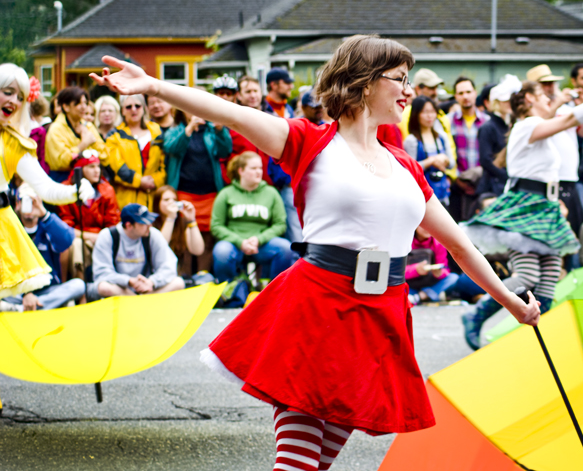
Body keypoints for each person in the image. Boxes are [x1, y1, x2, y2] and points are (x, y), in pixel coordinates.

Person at [90, 34, 540, 471]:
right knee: (299, 462)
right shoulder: (310, 140)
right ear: (365, 82)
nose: (409, 91)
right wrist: (152, 85)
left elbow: (460, 245)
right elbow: (227, 112)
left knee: (316, 463)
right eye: (399, 78)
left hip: (379, 317)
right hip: (317, 308)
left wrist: (510, 302)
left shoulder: (404, 166)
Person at [461, 73, 583, 350]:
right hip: (526, 206)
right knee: (527, 276)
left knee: (549, 279)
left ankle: (538, 342)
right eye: (542, 95)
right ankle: (476, 314)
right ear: (529, 99)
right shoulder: (527, 124)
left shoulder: (534, 125)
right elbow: (568, 120)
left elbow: (570, 127)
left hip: (545, 206)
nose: (549, 99)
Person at [0, 63, 94, 299]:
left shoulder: (14, 144)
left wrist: (76, 191)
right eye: (8, 92)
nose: (14, 101)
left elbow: (46, 189)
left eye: (20, 96)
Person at [163, 106, 232, 272]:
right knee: (184, 238)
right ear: (182, 111)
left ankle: (204, 277)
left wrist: (221, 129)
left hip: (210, 194)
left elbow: (226, 150)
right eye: (191, 108)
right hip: (183, 192)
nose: (196, 112)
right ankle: (185, 277)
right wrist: (188, 129)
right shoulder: (175, 130)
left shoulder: (211, 130)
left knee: (207, 239)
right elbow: (171, 148)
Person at [210, 152, 296, 283]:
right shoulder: (226, 194)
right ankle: (230, 296)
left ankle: (273, 291)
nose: (259, 172)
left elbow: (280, 224)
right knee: (221, 252)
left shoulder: (271, 193)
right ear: (241, 171)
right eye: (253, 168)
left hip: (262, 244)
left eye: (260, 168)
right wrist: (240, 242)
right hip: (234, 243)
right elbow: (216, 226)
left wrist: (259, 239)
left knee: (285, 248)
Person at [0, 184, 85, 312]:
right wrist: (26, 294)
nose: (30, 205)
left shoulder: (48, 225)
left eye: (33, 201)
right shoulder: (9, 229)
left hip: (48, 289)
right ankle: (38, 306)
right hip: (18, 291)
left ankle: (23, 309)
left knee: (78, 285)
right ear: (17, 203)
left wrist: (44, 214)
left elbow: (67, 240)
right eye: (25, 201)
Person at [88, 203, 185, 299]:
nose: (149, 225)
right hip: (121, 289)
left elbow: (169, 266)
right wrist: (129, 281)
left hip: (147, 290)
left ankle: (140, 301)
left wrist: (152, 282)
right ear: (129, 225)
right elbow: (102, 273)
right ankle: (138, 301)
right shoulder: (108, 236)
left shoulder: (153, 234)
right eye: (144, 222)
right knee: (104, 287)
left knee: (178, 283)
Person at [58, 150, 121, 280]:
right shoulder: (66, 190)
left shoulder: (107, 190)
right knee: (76, 244)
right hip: (78, 237)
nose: (97, 171)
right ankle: (80, 289)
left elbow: (113, 223)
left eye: (98, 166)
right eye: (91, 167)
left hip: (102, 236)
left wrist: (100, 236)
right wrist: (89, 236)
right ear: (80, 169)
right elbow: (65, 226)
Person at [552, 63, 583, 235]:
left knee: (578, 225)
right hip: (563, 176)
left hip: (582, 175)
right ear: (574, 81)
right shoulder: (562, 105)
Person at [105, 94, 166, 210]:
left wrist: (156, 180)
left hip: (154, 197)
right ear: (122, 110)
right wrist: (139, 181)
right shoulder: (114, 135)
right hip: (126, 199)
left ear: (144, 108)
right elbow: (116, 167)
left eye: (137, 106)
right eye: (128, 107)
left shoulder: (156, 131)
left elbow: (165, 163)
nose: (133, 109)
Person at [262, 68, 302, 243]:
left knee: (293, 227)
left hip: (288, 180)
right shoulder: (263, 110)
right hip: (267, 180)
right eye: (287, 82)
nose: (291, 86)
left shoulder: (289, 110)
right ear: (274, 84)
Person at [45, 86, 109, 182]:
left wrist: (90, 141)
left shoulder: (88, 126)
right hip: (63, 181)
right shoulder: (56, 129)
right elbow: (60, 162)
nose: (84, 107)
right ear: (66, 107)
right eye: (78, 103)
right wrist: (83, 144)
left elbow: (105, 155)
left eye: (85, 103)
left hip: (89, 180)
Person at [447, 77, 489, 219]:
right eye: (461, 93)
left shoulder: (487, 122)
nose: (465, 96)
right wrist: (457, 179)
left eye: (468, 92)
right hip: (457, 185)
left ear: (475, 93)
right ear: (456, 96)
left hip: (482, 184)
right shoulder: (448, 121)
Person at [404, 96, 455, 205]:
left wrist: (444, 159)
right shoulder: (411, 140)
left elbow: (452, 163)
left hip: (442, 192)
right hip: (422, 195)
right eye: (425, 112)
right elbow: (410, 170)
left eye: (432, 111)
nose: (429, 116)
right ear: (416, 114)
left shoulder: (441, 137)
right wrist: (431, 161)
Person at [475, 77, 516, 197]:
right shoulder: (488, 127)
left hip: (504, 185)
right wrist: (506, 176)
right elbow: (486, 160)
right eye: (505, 100)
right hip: (492, 187)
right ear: (496, 102)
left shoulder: (509, 125)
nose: (509, 103)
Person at [152, 185, 205, 274]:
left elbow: (198, 250)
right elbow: (161, 246)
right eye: (166, 200)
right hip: (158, 274)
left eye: (174, 199)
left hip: (182, 275)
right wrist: (170, 218)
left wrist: (191, 220)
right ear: (157, 203)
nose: (171, 202)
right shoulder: (150, 224)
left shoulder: (182, 222)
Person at [405, 225, 459, 304]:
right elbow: (396, 271)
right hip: (410, 283)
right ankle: (424, 295)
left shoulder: (438, 242)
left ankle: (422, 296)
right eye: (423, 225)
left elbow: (445, 268)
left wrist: (439, 273)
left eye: (430, 225)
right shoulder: (406, 241)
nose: (427, 229)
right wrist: (415, 269)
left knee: (453, 277)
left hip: (430, 281)